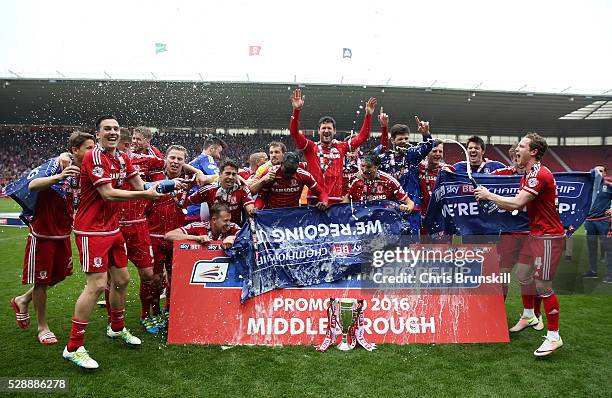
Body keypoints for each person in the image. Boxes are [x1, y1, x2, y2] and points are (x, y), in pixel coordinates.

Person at [63, 116, 163, 369]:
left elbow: (142, 185)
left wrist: (167, 185)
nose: (113, 132)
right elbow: (107, 193)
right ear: (97, 134)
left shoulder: (122, 157)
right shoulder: (94, 157)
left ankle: (116, 328)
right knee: (96, 285)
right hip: (91, 230)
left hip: (112, 228)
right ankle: (73, 347)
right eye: (107, 129)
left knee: (122, 280)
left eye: (116, 129)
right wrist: (144, 193)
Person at [474, 132, 565, 357]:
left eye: (522, 146)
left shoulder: (538, 175)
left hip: (548, 238)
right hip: (536, 234)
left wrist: (489, 195)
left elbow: (517, 202)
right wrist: (491, 199)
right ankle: (529, 315)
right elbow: (515, 207)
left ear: (533, 151)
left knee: (543, 286)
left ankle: (554, 337)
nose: (517, 150)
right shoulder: (529, 173)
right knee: (524, 275)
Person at [10, 132, 95, 346]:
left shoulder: (84, 168)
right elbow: (33, 185)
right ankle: (42, 327)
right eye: (88, 148)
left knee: (60, 276)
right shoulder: (57, 163)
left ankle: (23, 300)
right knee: (42, 280)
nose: (92, 152)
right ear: (75, 150)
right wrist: (59, 176)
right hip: (43, 233)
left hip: (63, 231)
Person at [289, 88, 376, 204]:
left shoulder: (341, 147)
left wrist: (368, 115)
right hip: (314, 201)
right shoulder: (310, 148)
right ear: (318, 131)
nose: (326, 130)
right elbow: (294, 133)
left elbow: (362, 137)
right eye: (323, 128)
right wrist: (296, 110)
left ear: (334, 131)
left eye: (329, 128)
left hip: (335, 202)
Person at [145, 145, 196, 326]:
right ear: (165, 158)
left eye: (179, 159)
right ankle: (151, 313)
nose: (175, 162)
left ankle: (168, 309)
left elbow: (213, 179)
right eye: (172, 158)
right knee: (155, 279)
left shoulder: (190, 179)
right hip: (154, 236)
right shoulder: (153, 177)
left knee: (175, 277)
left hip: (177, 236)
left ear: (184, 163)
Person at [377, 110, 434, 234]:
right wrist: (384, 128)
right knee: (391, 248)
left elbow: (428, 146)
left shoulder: (411, 156)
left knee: (413, 247)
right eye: (400, 139)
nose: (403, 141)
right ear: (392, 140)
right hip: (391, 210)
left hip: (413, 209)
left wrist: (426, 134)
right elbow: (373, 157)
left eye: (406, 138)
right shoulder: (384, 159)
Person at [187, 160, 255, 226]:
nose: (231, 177)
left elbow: (251, 210)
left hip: (235, 232)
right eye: (227, 173)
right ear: (220, 174)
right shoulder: (209, 190)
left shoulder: (242, 190)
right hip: (213, 232)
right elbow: (186, 202)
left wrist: (252, 211)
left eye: (234, 174)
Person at [343, 151, 415, 214]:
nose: (364, 170)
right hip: (363, 222)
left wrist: (406, 208)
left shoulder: (389, 181)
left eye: (368, 167)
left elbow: (410, 203)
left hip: (385, 222)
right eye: (362, 166)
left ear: (376, 167)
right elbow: (348, 198)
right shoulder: (356, 180)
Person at [254, 152, 328, 210]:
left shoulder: (303, 175)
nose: (288, 175)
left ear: (297, 167)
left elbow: (321, 192)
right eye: (286, 171)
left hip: (293, 215)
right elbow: (261, 197)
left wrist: (324, 202)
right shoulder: (270, 174)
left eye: (292, 172)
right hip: (273, 214)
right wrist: (256, 208)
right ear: (281, 164)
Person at [418, 139, 456, 236]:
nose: (438, 154)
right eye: (434, 151)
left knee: (440, 249)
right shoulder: (418, 168)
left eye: (440, 151)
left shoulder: (448, 170)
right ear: (427, 153)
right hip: (420, 218)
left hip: (440, 219)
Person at [185, 136, 226, 222]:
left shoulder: (195, 161)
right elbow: (220, 178)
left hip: (189, 207)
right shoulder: (207, 159)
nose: (219, 156)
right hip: (198, 208)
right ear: (211, 149)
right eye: (219, 151)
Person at [165, 203, 241, 249]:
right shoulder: (198, 226)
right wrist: (197, 238)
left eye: (229, 220)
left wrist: (233, 238)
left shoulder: (233, 227)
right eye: (225, 220)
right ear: (214, 220)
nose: (229, 223)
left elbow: (250, 237)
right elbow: (169, 235)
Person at [582, 165, 612, 281]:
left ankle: (610, 274)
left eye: (600, 171)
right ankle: (592, 271)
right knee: (591, 248)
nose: (597, 172)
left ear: (605, 174)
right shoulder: (588, 186)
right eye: (595, 170)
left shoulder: (608, 186)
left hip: (603, 221)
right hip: (589, 221)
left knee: (608, 248)